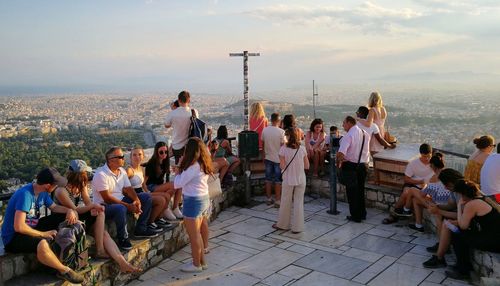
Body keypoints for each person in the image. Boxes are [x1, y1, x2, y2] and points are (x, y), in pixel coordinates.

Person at [54, 160, 141, 273]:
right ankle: (101, 251)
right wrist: (93, 206)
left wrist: (93, 208)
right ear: (82, 175)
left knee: (103, 228)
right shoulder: (61, 191)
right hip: (66, 221)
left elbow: (87, 204)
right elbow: (75, 210)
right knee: (100, 212)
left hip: (77, 218)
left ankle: (123, 263)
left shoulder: (81, 186)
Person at [1, 168, 84, 283]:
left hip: (31, 227)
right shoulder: (25, 195)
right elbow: (19, 226)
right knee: (42, 243)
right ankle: (64, 270)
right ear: (48, 185)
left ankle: (65, 250)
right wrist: (43, 234)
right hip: (14, 237)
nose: (56, 188)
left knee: (64, 216)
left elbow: (54, 207)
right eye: (55, 185)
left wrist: (69, 211)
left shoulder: (42, 192)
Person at [92, 147, 158, 251]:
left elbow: (128, 188)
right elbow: (107, 198)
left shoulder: (121, 171)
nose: (124, 158)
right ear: (111, 160)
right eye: (121, 157)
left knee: (146, 197)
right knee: (120, 208)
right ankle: (123, 238)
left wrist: (137, 200)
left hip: (121, 200)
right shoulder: (101, 175)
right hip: (104, 206)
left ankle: (141, 228)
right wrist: (128, 206)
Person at [444, 180, 500, 280]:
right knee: (462, 233)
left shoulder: (472, 204)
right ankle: (463, 265)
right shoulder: (483, 198)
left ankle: (463, 271)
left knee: (458, 235)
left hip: (495, 241)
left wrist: (459, 206)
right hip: (494, 237)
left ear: (462, 194)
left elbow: (463, 226)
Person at [173, 137, 213, 273]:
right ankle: (201, 262)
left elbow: (178, 183)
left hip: (193, 201)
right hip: (203, 199)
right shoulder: (203, 163)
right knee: (198, 234)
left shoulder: (193, 166)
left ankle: (196, 264)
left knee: (194, 235)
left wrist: (178, 171)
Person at [382, 143, 434, 224]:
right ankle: (394, 215)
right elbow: (406, 179)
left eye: (429, 156)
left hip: (425, 187)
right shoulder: (413, 163)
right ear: (420, 154)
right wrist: (420, 182)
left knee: (417, 196)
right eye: (424, 156)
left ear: (431, 154)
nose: (427, 158)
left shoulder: (434, 164)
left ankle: (405, 212)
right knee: (406, 193)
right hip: (412, 183)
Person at [422, 168, 464, 269]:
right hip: (462, 216)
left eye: (445, 185)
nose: (445, 188)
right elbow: (450, 204)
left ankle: (440, 256)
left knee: (447, 223)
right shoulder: (455, 190)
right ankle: (442, 246)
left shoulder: (463, 192)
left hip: (469, 221)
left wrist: (438, 211)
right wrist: (437, 206)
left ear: (450, 183)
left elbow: (462, 216)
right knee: (440, 216)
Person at [126, 146, 175, 230]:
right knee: (161, 200)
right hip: (135, 195)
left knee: (166, 196)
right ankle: (150, 222)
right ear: (130, 157)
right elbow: (124, 186)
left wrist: (148, 192)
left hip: (143, 192)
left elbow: (143, 184)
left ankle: (158, 218)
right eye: (134, 155)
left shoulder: (141, 169)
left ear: (143, 156)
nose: (137, 157)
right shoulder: (129, 170)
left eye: (139, 154)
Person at [273, 127, 309, 233]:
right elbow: (307, 166)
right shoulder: (302, 149)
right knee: (299, 202)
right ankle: (298, 228)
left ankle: (283, 225)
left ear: (288, 136)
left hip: (288, 179)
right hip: (301, 178)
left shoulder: (283, 149)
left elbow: (282, 166)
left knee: (285, 201)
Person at [336, 116, 370, 223]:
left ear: (350, 123)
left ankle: (356, 216)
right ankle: (362, 213)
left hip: (351, 166)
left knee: (352, 192)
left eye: (344, 123)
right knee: (360, 190)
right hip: (363, 165)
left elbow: (341, 153)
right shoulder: (365, 133)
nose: (343, 125)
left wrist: (339, 161)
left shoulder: (349, 135)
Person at [404, 153, 448, 232]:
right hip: (447, 202)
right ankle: (418, 225)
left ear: (433, 166)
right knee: (415, 200)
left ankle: (406, 209)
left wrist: (424, 186)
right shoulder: (448, 173)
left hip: (438, 205)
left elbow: (422, 194)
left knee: (412, 190)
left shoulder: (434, 178)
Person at [142, 142, 183, 222]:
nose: (164, 154)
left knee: (177, 186)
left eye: (166, 152)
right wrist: (147, 192)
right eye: (161, 152)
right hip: (151, 187)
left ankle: (175, 207)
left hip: (159, 186)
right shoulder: (152, 163)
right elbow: (144, 182)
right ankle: (166, 208)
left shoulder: (165, 162)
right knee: (175, 184)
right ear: (156, 152)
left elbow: (167, 178)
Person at [165, 90, 198, 165]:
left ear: (178, 100)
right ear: (189, 100)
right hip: (191, 145)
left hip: (177, 146)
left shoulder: (173, 113)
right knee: (189, 166)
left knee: (179, 167)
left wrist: (173, 110)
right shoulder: (194, 112)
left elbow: (166, 125)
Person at [261, 112, 285, 207]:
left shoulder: (265, 130)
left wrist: (263, 155)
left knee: (268, 179)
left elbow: (263, 145)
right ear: (279, 121)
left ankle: (268, 198)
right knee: (278, 180)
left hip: (268, 157)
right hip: (278, 159)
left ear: (271, 120)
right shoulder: (281, 132)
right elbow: (283, 147)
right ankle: (278, 200)